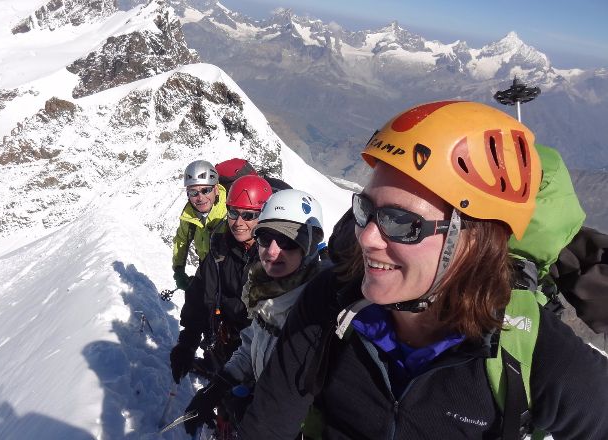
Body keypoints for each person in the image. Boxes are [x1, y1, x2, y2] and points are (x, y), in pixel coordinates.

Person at [239, 101, 608, 439]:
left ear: (475, 241)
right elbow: (269, 423)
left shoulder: (530, 350)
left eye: (401, 222)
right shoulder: (330, 302)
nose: (367, 237)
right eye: (365, 210)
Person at [182, 189, 326, 435]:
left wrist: (258, 413)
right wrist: (222, 383)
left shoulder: (318, 311)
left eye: (287, 241)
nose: (271, 252)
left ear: (310, 246)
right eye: (265, 238)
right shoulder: (265, 290)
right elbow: (253, 341)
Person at [170, 175, 273, 385]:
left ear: (264, 216)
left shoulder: (273, 258)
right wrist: (187, 342)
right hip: (224, 339)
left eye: (249, 215)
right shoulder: (219, 250)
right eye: (233, 212)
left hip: (256, 354)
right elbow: (199, 294)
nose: (238, 222)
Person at [172, 160, 228, 290]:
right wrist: (179, 270)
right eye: (193, 192)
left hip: (230, 277)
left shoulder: (230, 212)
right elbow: (181, 240)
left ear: (216, 190)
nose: (200, 198)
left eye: (205, 190)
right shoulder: (189, 215)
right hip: (206, 270)